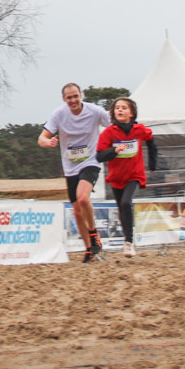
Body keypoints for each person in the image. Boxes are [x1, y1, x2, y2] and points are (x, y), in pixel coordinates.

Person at [39, 84, 111, 262]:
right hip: (70, 167)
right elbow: (42, 138)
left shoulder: (95, 111)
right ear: (64, 99)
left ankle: (93, 235)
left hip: (91, 161)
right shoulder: (59, 114)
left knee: (83, 198)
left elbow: (113, 127)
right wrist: (48, 142)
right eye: (69, 98)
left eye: (75, 96)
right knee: (77, 211)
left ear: (81, 95)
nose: (73, 101)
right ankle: (89, 249)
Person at [94, 97, 158, 257]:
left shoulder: (139, 129)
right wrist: (114, 151)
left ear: (132, 113)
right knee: (122, 208)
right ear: (113, 113)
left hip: (134, 175)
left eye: (124, 108)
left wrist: (152, 164)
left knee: (126, 202)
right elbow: (99, 156)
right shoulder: (109, 132)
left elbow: (151, 141)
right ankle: (127, 239)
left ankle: (129, 242)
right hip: (116, 177)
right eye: (117, 108)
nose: (120, 110)